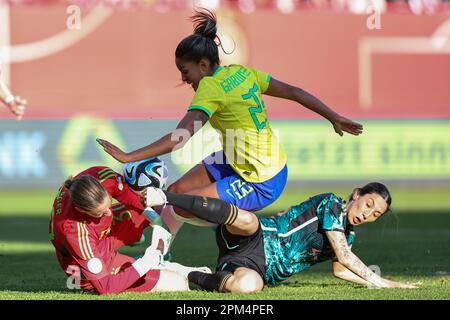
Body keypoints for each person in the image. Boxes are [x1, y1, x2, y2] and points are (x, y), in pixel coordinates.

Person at [97, 8, 363, 239]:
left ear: (203, 65)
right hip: (241, 158)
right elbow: (294, 91)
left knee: (180, 204)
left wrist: (129, 155)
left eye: (185, 71)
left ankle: (246, 231)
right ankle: (157, 255)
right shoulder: (241, 71)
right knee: (176, 191)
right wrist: (333, 117)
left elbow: (180, 138)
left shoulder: (209, 87)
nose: (184, 78)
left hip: (262, 180)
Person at [145, 182, 418, 292]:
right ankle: (166, 196)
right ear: (356, 194)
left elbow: (340, 270)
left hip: (256, 268)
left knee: (248, 287)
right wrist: (384, 283)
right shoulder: (332, 204)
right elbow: (344, 257)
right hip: (256, 238)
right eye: (368, 204)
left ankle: (191, 273)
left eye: (376, 214)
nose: (367, 214)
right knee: (248, 219)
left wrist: (367, 284)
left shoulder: (348, 235)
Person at [49, 166, 210, 295]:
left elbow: (130, 196)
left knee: (150, 203)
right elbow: (106, 288)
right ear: (81, 210)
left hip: (102, 237)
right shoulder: (75, 231)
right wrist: (145, 262)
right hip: (92, 258)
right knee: (177, 284)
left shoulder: (101, 175)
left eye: (108, 205)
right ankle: (157, 263)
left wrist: (157, 221)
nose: (108, 213)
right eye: (100, 213)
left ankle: (160, 261)